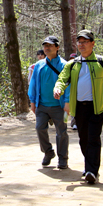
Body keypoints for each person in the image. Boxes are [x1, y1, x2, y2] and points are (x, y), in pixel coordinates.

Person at [53, 30, 103, 185]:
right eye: (79, 42)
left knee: (93, 138)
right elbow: (62, 79)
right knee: (83, 139)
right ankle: (90, 165)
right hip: (79, 108)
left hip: (97, 107)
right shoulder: (73, 64)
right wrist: (58, 88)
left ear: (93, 43)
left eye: (85, 42)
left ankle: (91, 171)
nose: (81, 45)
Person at [28, 36, 70, 169]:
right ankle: (48, 152)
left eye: (50, 45)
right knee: (39, 128)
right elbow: (33, 84)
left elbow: (69, 84)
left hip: (59, 105)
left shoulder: (64, 65)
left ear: (57, 47)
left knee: (61, 132)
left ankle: (63, 158)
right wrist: (33, 101)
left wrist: (67, 102)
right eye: (45, 45)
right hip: (42, 105)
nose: (47, 48)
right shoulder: (39, 65)